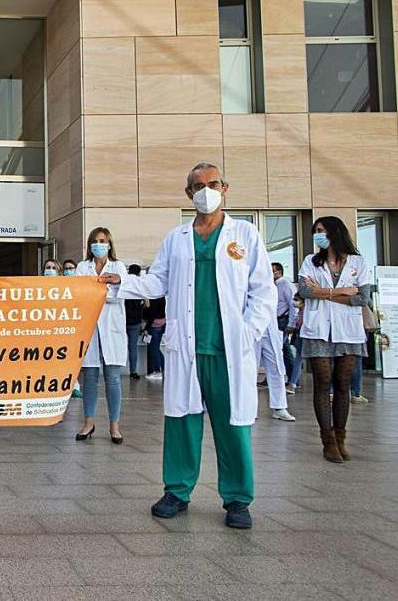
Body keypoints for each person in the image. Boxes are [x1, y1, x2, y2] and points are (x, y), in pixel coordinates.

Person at [104, 162, 275, 530]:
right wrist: (121, 284)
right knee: (181, 421)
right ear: (188, 194)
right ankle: (177, 491)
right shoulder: (177, 238)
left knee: (233, 426)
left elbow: (263, 290)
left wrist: (248, 332)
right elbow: (157, 282)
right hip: (186, 346)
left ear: (225, 188)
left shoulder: (245, 234)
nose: (205, 191)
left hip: (229, 347)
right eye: (198, 186)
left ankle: (237, 499)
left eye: (212, 184)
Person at [298, 216, 373, 464]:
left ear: (334, 232)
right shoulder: (311, 261)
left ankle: (341, 437)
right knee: (322, 382)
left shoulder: (357, 262)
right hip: (319, 328)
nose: (318, 235)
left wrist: (323, 293)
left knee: (343, 383)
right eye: (316, 231)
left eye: (322, 231)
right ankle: (327, 440)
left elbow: (362, 298)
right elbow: (306, 292)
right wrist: (341, 291)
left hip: (348, 329)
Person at [74, 228, 127, 444]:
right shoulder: (82, 267)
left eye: (102, 241)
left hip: (111, 327)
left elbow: (118, 294)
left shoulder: (118, 267)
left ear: (109, 244)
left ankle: (114, 425)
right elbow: (80, 294)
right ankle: (88, 422)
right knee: (90, 378)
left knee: (113, 378)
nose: (98, 244)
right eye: (95, 241)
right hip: (89, 326)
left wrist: (98, 290)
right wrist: (101, 289)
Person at [254, 266, 296, 422]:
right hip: (252, 331)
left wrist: (291, 323)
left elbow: (291, 305)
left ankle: (280, 407)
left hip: (271, 330)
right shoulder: (243, 283)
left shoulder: (276, 286)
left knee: (277, 368)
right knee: (249, 370)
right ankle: (251, 408)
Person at [272, 263, 296, 381]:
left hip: (283, 320)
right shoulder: (273, 285)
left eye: (273, 271)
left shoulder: (285, 284)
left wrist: (292, 323)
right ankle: (291, 378)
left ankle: (288, 378)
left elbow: (293, 304)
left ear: (279, 272)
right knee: (283, 350)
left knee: (279, 349)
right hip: (275, 320)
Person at [123, 264, 146, 380]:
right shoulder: (140, 286)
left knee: (120, 346)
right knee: (133, 348)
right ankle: (133, 371)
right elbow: (146, 305)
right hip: (136, 322)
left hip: (123, 321)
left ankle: (116, 370)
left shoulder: (125, 284)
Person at [144, 297, 166, 380]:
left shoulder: (153, 297)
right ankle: (164, 368)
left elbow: (152, 313)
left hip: (154, 326)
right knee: (156, 348)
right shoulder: (162, 296)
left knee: (154, 349)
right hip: (162, 323)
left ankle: (157, 371)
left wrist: (146, 328)